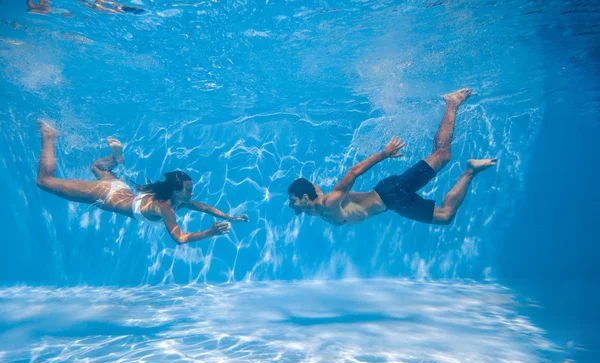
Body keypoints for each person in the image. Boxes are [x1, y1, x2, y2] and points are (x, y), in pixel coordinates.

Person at [287, 88, 497, 226]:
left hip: (391, 192)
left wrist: (384, 154)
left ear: (305, 199)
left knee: (442, 156)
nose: (290, 205)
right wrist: (298, 184)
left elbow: (353, 172)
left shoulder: (329, 203)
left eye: (292, 200)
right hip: (393, 203)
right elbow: (311, 188)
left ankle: (452, 103)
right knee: (445, 216)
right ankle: (471, 170)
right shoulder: (312, 206)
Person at [36, 120, 249, 245]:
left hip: (120, 190)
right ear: (175, 191)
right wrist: (210, 233)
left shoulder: (176, 200)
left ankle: (117, 160)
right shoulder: (165, 207)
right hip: (106, 194)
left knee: (97, 167)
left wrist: (229, 217)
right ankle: (49, 136)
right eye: (188, 190)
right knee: (44, 181)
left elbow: (204, 207)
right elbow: (180, 238)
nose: (192, 195)